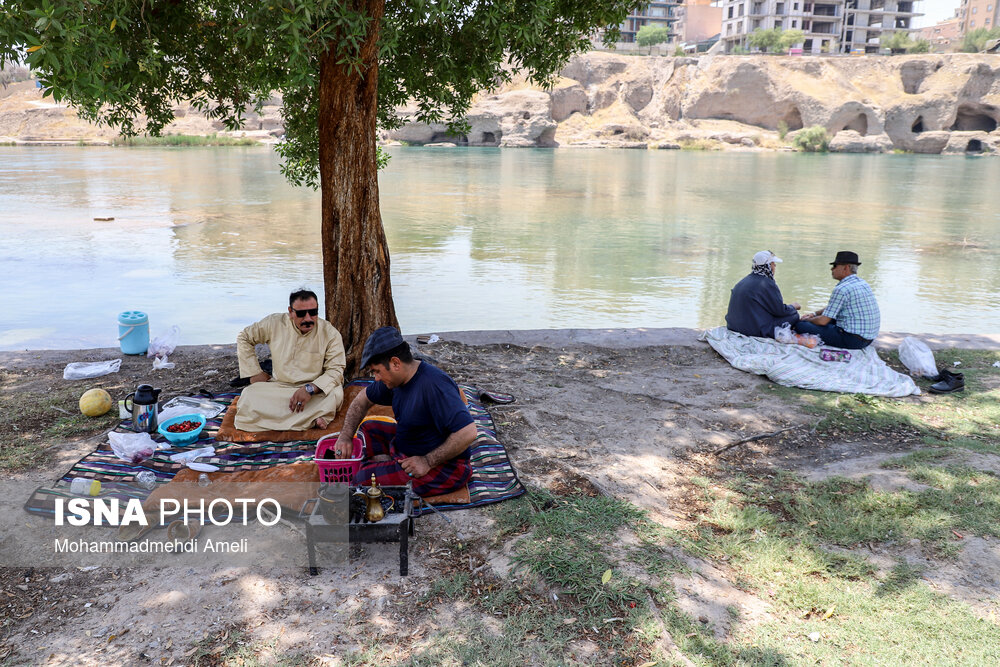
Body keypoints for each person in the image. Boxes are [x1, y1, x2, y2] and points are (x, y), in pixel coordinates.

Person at [333, 327, 476, 497]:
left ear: (395, 363)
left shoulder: (434, 385)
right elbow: (362, 400)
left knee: (360, 480)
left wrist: (427, 462)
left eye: (377, 371)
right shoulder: (397, 378)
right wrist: (345, 437)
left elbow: (469, 432)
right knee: (369, 427)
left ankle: (388, 466)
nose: (376, 378)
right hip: (409, 447)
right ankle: (391, 462)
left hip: (446, 467)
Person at [233, 289, 345, 432]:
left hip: (315, 390)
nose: (308, 318)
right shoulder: (274, 323)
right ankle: (313, 418)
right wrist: (254, 372)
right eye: (301, 314)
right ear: (291, 312)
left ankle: (307, 416)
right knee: (249, 395)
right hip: (280, 388)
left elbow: (336, 370)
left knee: (336, 392)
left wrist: (310, 389)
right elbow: (244, 337)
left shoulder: (330, 333)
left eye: (313, 312)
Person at [794, 251, 880, 350]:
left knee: (801, 326)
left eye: (835, 266)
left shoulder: (842, 288)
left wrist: (807, 320)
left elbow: (822, 321)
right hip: (868, 339)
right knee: (823, 320)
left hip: (852, 340)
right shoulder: (862, 283)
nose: (832, 269)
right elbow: (834, 307)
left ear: (846, 267)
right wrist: (814, 314)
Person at [725, 250, 801, 338]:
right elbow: (780, 311)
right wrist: (793, 306)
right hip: (751, 331)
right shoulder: (767, 284)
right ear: (768, 266)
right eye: (773, 263)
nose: (775, 266)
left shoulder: (744, 280)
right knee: (794, 315)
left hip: (732, 326)